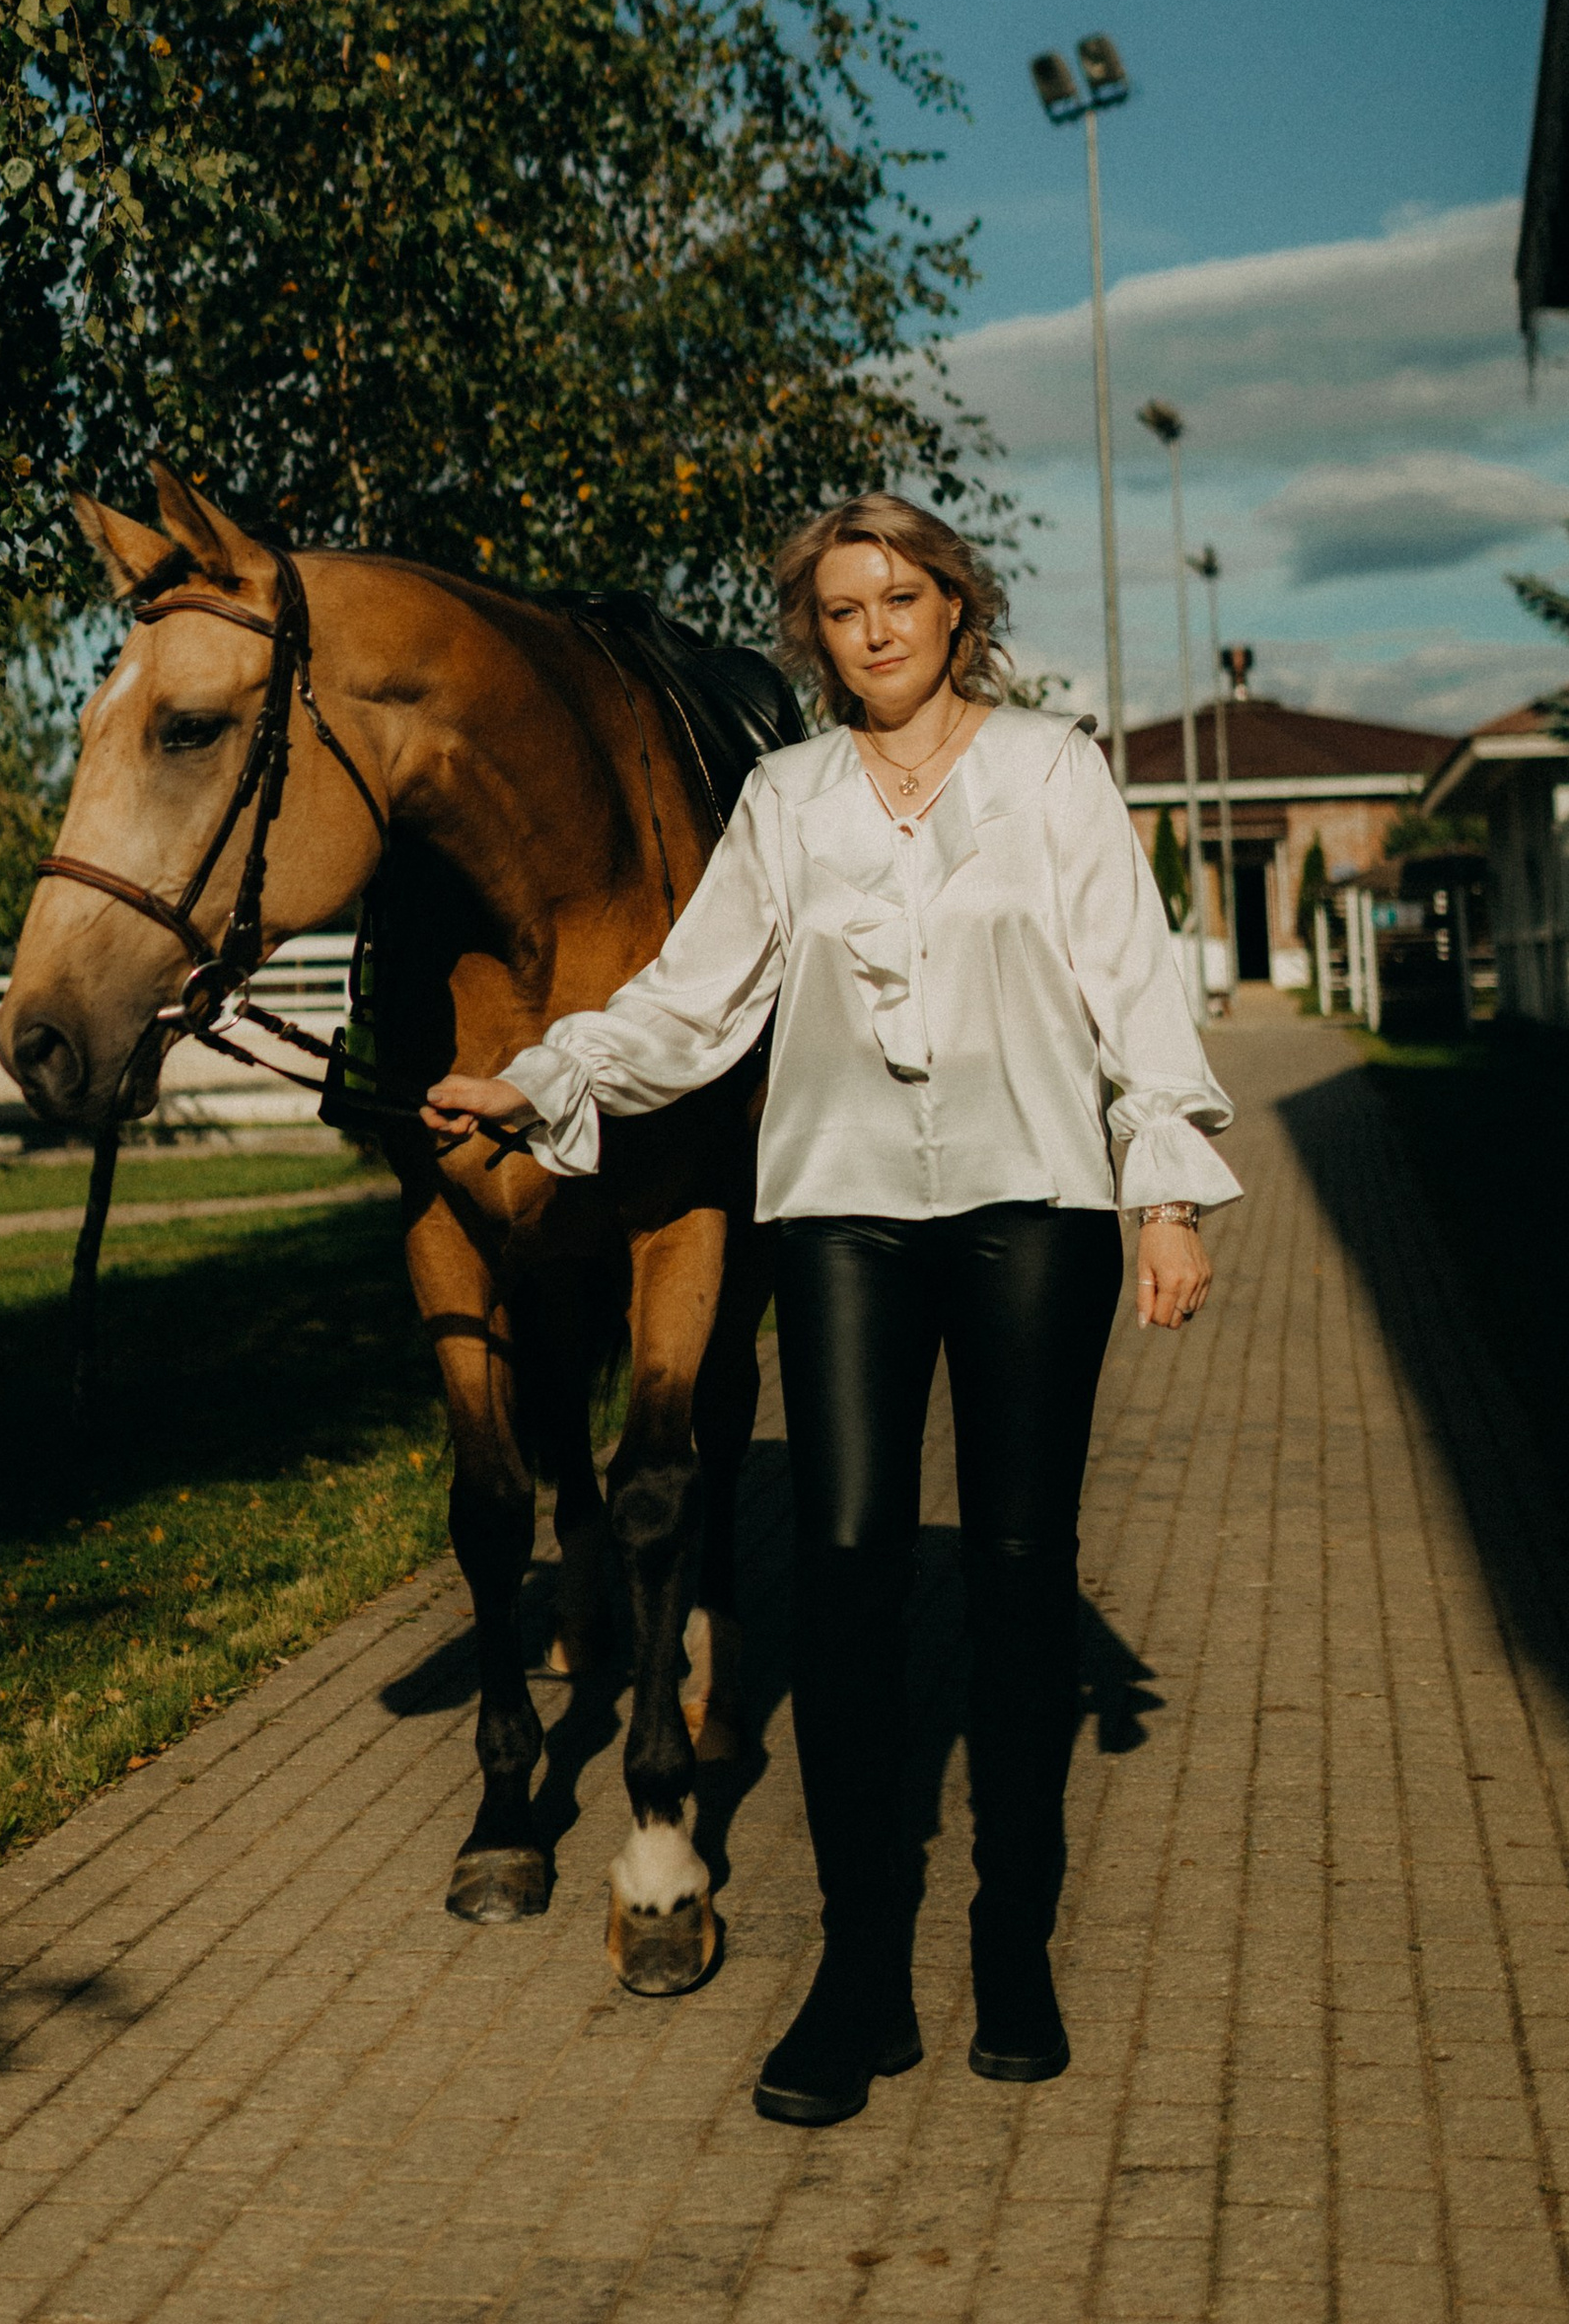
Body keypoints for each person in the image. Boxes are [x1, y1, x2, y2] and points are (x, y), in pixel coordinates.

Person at [423, 492, 1238, 2126]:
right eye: (842, 606)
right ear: (816, 630)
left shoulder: (1053, 772)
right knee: (853, 1576)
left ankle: (1015, 1939)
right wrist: (537, 1076)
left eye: (901, 596)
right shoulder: (787, 798)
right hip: (845, 1214)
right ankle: (861, 1966)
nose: (874, 626)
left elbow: (1132, 983)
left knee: (1015, 1573)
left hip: (1036, 1209)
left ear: (957, 607)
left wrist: (1164, 1188)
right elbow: (692, 996)